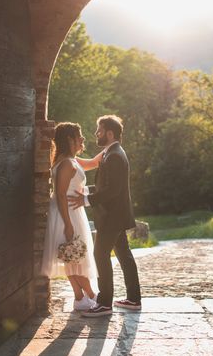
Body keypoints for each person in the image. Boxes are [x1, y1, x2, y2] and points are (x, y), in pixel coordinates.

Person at [69, 115, 142, 317]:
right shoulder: (111, 153)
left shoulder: (115, 155)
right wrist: (87, 192)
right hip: (116, 215)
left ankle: (104, 304)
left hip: (112, 217)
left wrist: (86, 200)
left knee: (100, 255)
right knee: (124, 256)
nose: (96, 134)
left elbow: (113, 190)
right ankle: (134, 299)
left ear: (109, 133)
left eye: (99, 131)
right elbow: (106, 186)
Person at [41, 122, 102, 311]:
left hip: (73, 211)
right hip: (66, 213)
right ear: (70, 139)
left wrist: (110, 147)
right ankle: (91, 296)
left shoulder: (71, 159)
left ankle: (79, 298)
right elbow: (60, 194)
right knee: (75, 255)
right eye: (79, 136)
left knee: (72, 255)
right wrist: (68, 224)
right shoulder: (67, 163)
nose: (83, 139)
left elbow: (93, 162)